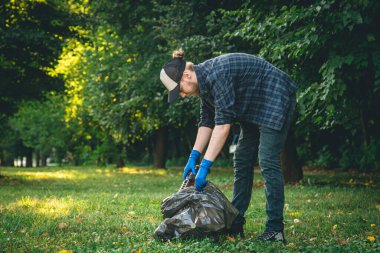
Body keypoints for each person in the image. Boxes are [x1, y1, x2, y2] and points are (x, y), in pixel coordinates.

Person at [159, 49, 297, 242]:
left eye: (179, 89)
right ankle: (235, 222)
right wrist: (193, 157)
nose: (181, 95)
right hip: (252, 107)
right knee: (241, 159)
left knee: (267, 160)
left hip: (275, 96)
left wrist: (205, 167)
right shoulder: (204, 86)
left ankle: (275, 230)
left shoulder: (218, 76)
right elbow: (207, 122)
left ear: (187, 75)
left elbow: (223, 127)